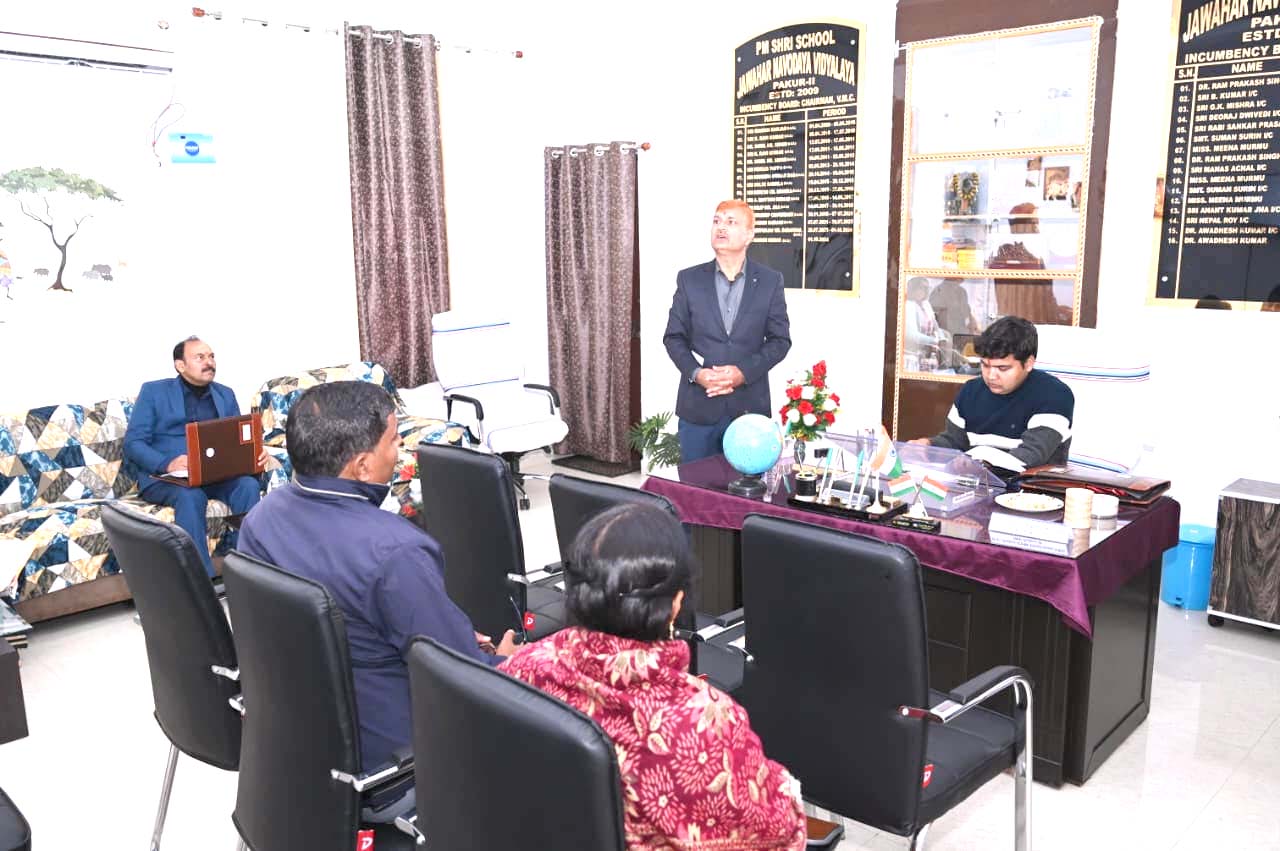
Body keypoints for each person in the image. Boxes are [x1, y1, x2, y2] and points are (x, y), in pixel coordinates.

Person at [237, 381, 519, 822]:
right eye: (393, 440)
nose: (400, 449)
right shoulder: (396, 551)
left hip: (297, 749)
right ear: (363, 466)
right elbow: (461, 678)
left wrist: (452, 631)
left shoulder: (260, 520)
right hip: (393, 768)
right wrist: (506, 665)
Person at [500, 504, 806, 850]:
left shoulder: (523, 668)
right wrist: (784, 786)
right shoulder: (706, 722)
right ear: (676, 604)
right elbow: (777, 832)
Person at [123, 336, 264, 577]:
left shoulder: (225, 394)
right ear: (180, 365)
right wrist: (167, 463)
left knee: (248, 486)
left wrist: (254, 454)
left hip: (214, 475)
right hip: (168, 478)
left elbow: (237, 439)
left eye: (211, 356)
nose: (209, 362)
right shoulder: (153, 392)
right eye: (200, 357)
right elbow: (133, 443)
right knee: (191, 495)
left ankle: (250, 572)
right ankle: (200, 580)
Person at [663, 200, 791, 463]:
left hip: (749, 410)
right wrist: (697, 374)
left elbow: (780, 341)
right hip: (698, 408)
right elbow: (674, 337)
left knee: (745, 485)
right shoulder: (689, 279)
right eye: (717, 221)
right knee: (695, 484)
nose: (721, 227)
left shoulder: (770, 281)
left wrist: (743, 372)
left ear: (749, 235)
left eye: (731, 222)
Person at [909, 316, 1073, 473]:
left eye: (1003, 368)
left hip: (1033, 488)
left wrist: (981, 465)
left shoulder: (1055, 395)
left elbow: (1031, 455)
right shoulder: (970, 391)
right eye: (985, 365)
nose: (991, 376)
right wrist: (928, 446)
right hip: (976, 483)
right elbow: (955, 442)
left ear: (1028, 363)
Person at [904, 276, 947, 370]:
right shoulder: (908, 306)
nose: (925, 291)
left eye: (927, 288)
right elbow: (912, 336)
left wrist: (942, 338)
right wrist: (935, 341)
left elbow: (935, 325)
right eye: (922, 287)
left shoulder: (926, 304)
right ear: (913, 289)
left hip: (925, 356)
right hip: (911, 358)